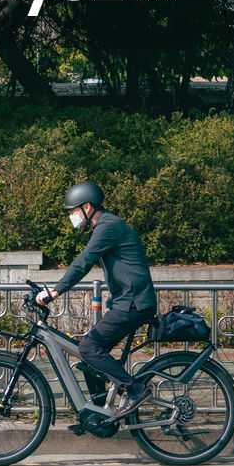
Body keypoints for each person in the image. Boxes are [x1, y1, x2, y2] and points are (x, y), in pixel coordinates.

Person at [36, 179, 157, 418]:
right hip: (128, 302)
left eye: (73, 211)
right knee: (90, 358)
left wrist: (55, 291)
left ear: (87, 207)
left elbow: (84, 261)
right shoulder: (106, 226)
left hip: (133, 304)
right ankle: (99, 415)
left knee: (89, 348)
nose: (72, 216)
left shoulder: (108, 226)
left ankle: (135, 388)